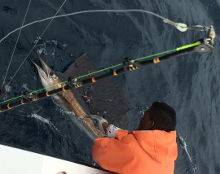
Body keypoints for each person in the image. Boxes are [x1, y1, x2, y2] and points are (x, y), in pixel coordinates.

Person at [90, 101, 178, 174]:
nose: (142, 118)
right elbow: (134, 142)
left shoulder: (132, 151)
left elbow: (98, 152)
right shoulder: (168, 160)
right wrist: (109, 129)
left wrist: (105, 139)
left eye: (144, 116)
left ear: (150, 124)